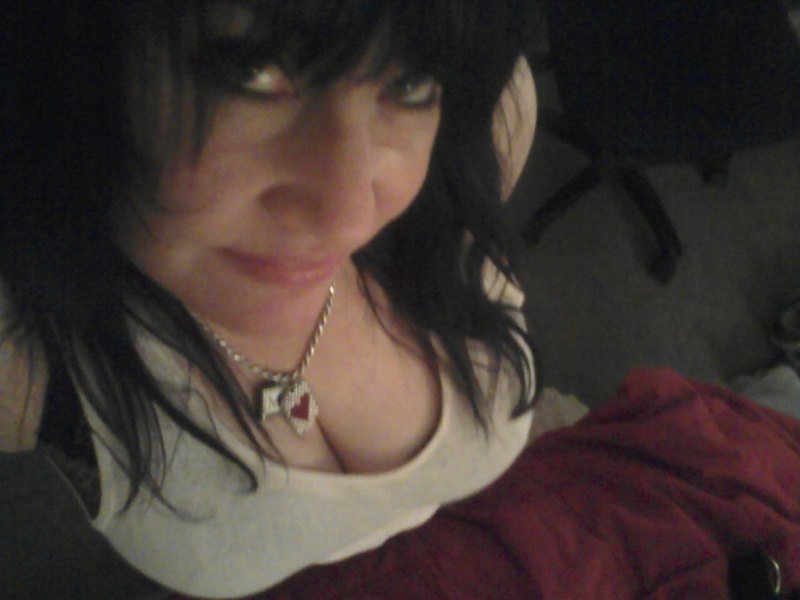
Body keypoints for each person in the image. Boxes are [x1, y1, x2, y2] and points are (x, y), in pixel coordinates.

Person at [1, 1, 539, 596]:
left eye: (409, 83)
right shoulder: (20, 363)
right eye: (250, 70)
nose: (348, 216)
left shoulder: (492, 123)